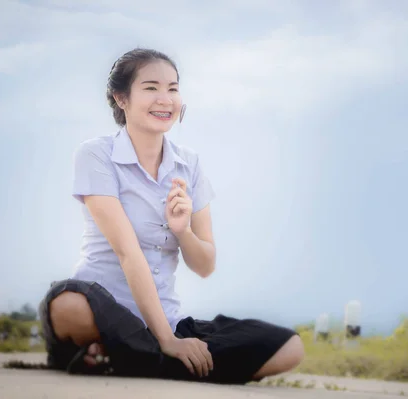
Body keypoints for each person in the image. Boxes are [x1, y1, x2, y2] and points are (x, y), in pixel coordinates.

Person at [37, 48, 304, 384]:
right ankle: (154, 354)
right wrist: (167, 341)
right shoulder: (96, 154)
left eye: (173, 88)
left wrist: (183, 231)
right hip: (101, 311)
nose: (165, 99)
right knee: (67, 305)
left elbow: (205, 265)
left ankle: (126, 358)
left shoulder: (188, 164)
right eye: (150, 88)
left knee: (288, 347)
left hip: (167, 320)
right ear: (122, 98)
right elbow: (127, 252)